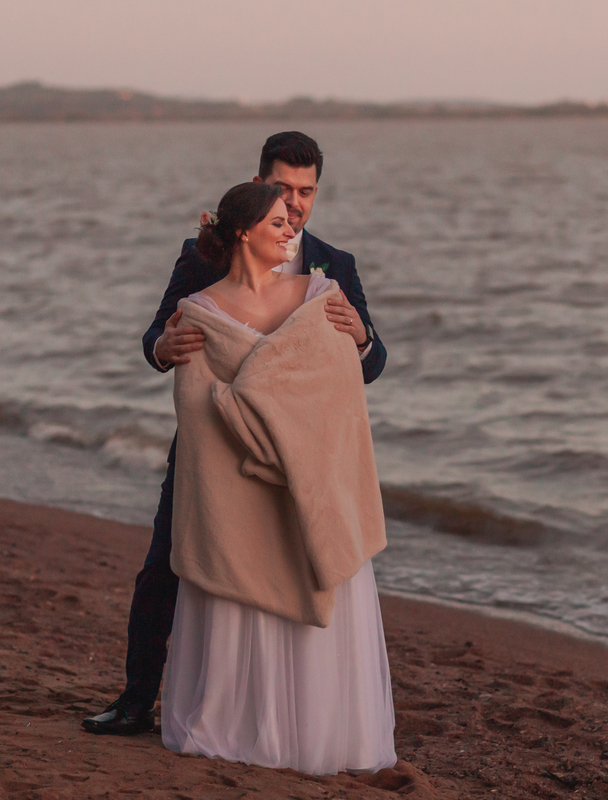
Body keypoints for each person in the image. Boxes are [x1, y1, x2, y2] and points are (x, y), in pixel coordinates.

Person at [83, 132, 386, 736]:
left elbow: (370, 368)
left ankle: (286, 708)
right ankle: (137, 698)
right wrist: (162, 348)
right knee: (165, 564)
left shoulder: (334, 266)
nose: (295, 205)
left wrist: (361, 338)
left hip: (299, 454)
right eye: (283, 190)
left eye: (306, 193)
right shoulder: (202, 258)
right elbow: (157, 336)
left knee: (297, 565)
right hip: (211, 448)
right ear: (258, 184)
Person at [159, 181, 395, 774]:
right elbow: (195, 406)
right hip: (236, 490)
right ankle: (211, 719)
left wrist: (286, 421)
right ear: (243, 233)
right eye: (277, 221)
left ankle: (318, 732)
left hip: (312, 483)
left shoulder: (322, 293)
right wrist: (168, 350)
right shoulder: (199, 312)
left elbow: (342, 388)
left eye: (294, 217)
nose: (292, 229)